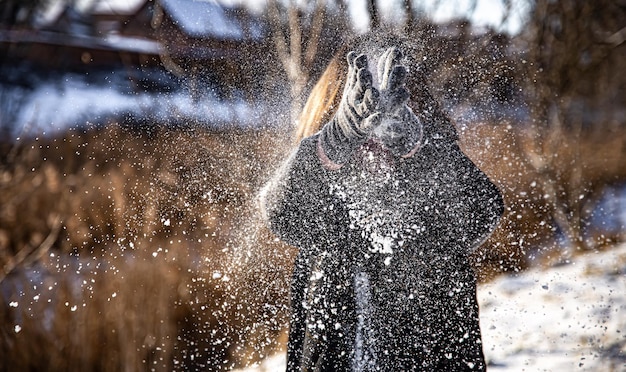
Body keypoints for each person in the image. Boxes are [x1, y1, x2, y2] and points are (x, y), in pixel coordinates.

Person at [260, 35, 504, 371]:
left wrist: (419, 148)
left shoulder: (435, 180)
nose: (374, 127)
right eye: (361, 104)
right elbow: (279, 213)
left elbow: (482, 212)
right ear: (334, 111)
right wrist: (333, 142)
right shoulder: (322, 196)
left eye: (391, 106)